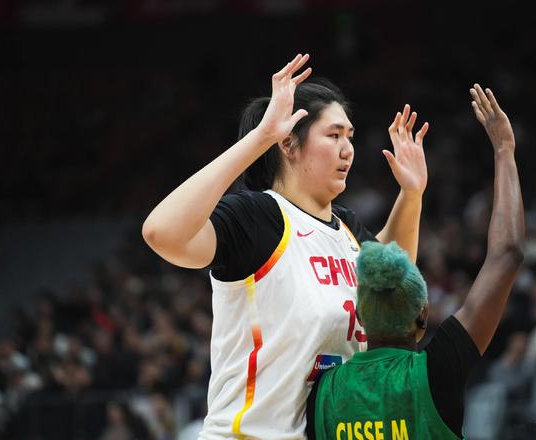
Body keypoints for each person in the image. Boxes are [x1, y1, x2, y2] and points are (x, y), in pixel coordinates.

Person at [141, 53, 430, 438]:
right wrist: (261, 137)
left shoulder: (347, 228)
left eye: (350, 136)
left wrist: (411, 194)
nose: (348, 148)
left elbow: (395, 291)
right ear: (289, 144)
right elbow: (161, 232)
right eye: (334, 135)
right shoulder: (258, 216)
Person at [308, 85, 525, 439]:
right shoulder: (436, 373)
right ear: (422, 316)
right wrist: (504, 150)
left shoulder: (325, 391)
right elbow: (508, 254)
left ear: (360, 314)